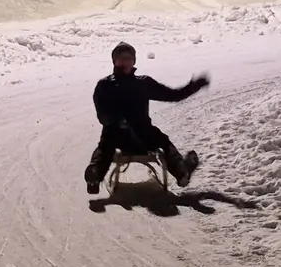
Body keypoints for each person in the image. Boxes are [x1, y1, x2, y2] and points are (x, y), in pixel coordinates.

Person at [85, 42, 208, 194]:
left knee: (161, 141)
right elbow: (102, 115)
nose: (126, 62)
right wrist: (118, 121)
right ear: (114, 61)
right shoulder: (105, 86)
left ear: (134, 61)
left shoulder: (143, 83)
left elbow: (172, 95)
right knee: (107, 144)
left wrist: (193, 87)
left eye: (129, 58)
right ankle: (94, 175)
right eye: (122, 58)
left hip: (141, 137)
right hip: (122, 135)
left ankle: (181, 172)